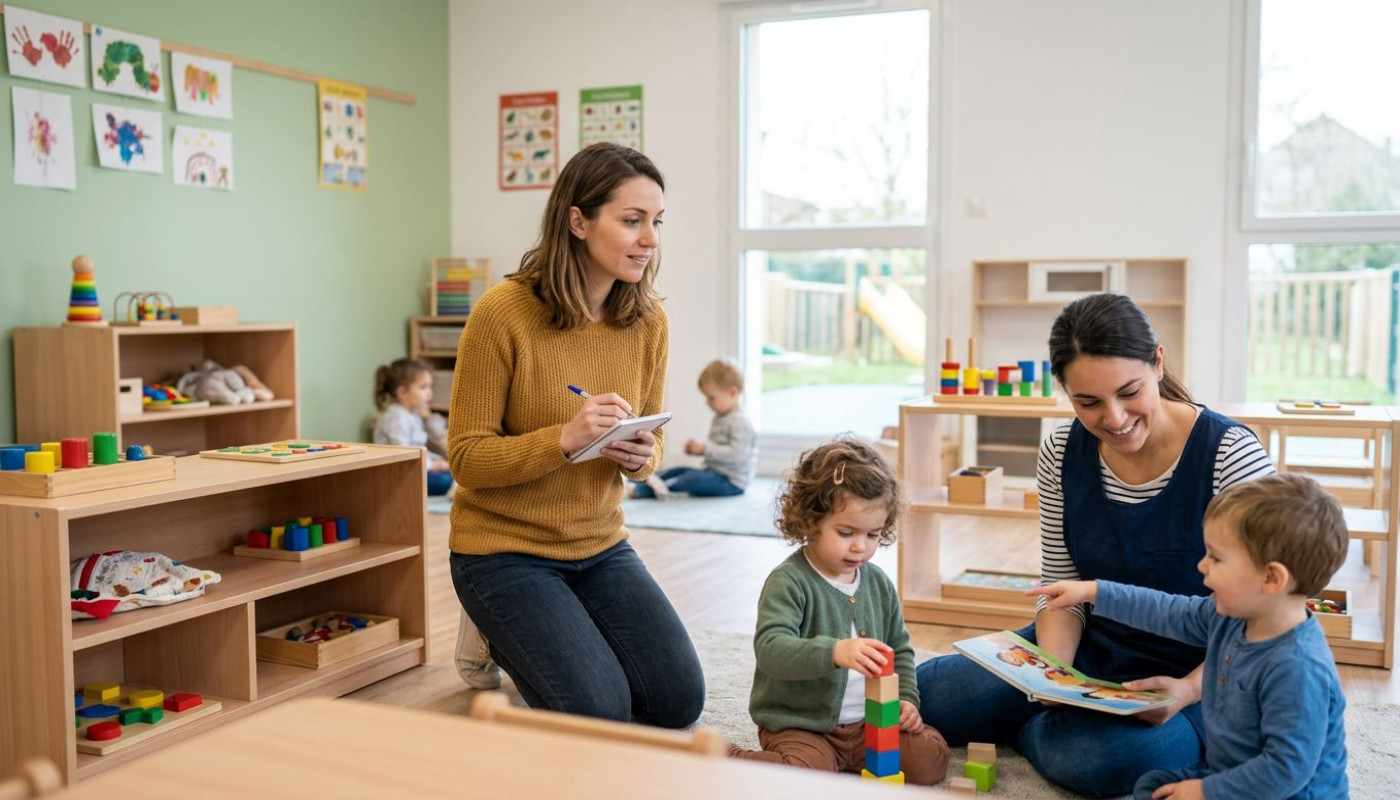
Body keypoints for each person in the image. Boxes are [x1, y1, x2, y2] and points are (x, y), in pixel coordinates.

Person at [915, 293, 1276, 797]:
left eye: (1129, 392)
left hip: (1203, 672)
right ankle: (1054, 721)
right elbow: (1060, 587)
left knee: (1106, 760)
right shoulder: (1061, 450)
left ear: (1158, 362)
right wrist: (1052, 675)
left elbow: (1267, 616)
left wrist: (1189, 689)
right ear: (1065, 392)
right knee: (929, 695)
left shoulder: (1229, 455)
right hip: (1091, 650)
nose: (1115, 418)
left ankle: (1036, 732)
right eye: (1088, 403)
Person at [444, 142, 704, 726]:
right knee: (599, 713)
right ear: (578, 222)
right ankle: (489, 630)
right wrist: (563, 439)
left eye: (656, 222)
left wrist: (640, 455)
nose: (650, 239)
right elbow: (466, 458)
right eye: (632, 220)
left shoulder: (649, 322)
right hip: (502, 550)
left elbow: (653, 448)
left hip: (599, 544)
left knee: (676, 701)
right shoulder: (502, 313)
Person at [1031, 473, 1349, 800]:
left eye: (1216, 558)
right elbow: (1165, 610)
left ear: (1271, 578)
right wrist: (1094, 591)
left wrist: (1206, 791)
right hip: (1230, 771)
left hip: (1284, 793)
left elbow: (1285, 770)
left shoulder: (1298, 667)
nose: (1202, 566)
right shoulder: (1229, 617)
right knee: (1154, 786)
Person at [729, 438, 950, 785]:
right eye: (846, 533)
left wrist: (906, 700)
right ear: (810, 520)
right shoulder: (789, 582)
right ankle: (727, 758)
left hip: (869, 725)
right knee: (806, 777)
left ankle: (845, 761)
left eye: (873, 534)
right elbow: (771, 649)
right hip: (802, 725)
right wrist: (834, 651)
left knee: (930, 761)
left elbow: (899, 649)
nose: (860, 546)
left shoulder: (878, 583)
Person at [629, 358, 755, 499]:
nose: (707, 403)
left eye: (711, 398)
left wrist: (704, 449)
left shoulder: (740, 422)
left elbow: (737, 454)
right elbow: (717, 450)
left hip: (731, 482)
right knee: (678, 471)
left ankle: (644, 491)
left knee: (691, 479)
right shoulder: (720, 418)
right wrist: (698, 450)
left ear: (732, 392)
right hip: (713, 473)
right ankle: (642, 480)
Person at [372, 358, 452, 496]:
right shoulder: (397, 418)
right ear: (402, 392)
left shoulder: (413, 414)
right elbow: (404, 456)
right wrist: (434, 465)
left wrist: (439, 462)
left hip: (413, 469)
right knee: (446, 480)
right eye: (423, 387)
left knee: (453, 474)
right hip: (398, 475)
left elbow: (420, 448)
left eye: (430, 387)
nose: (430, 393)